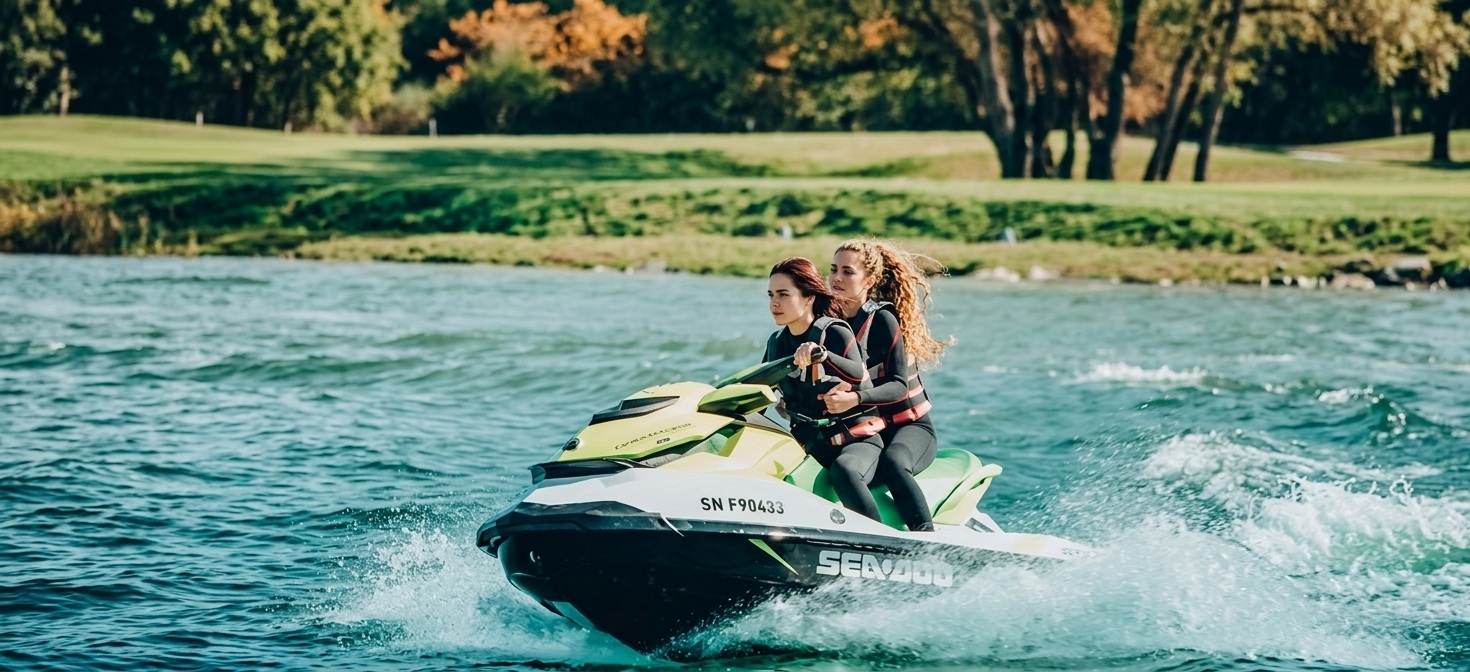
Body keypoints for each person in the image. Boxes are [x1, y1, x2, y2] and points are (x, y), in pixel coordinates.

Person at [823, 240, 951, 532]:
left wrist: (855, 399)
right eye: (833, 270)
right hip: (867, 433)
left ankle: (926, 539)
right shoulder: (831, 323)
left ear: (869, 279)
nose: (837, 278)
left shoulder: (881, 319)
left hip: (910, 429)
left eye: (847, 272)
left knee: (893, 462)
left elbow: (897, 386)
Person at [763, 257, 887, 523]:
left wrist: (822, 355)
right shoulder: (776, 343)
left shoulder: (833, 332)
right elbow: (758, 387)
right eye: (771, 295)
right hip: (810, 443)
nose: (774, 303)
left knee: (843, 471)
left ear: (808, 298)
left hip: (855, 442)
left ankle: (878, 541)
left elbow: (859, 375)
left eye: (784, 295)